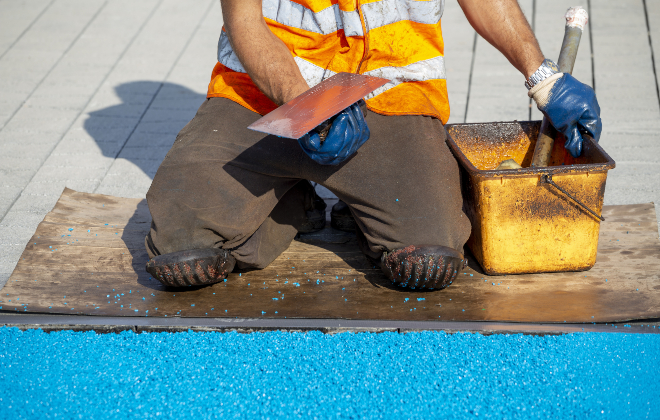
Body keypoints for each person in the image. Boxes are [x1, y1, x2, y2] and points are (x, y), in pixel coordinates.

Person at [144, 0, 601, 290]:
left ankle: (356, 208)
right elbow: (243, 21)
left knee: (429, 257)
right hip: (262, 97)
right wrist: (305, 104)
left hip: (389, 96)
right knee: (181, 248)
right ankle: (292, 202)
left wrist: (544, 79)